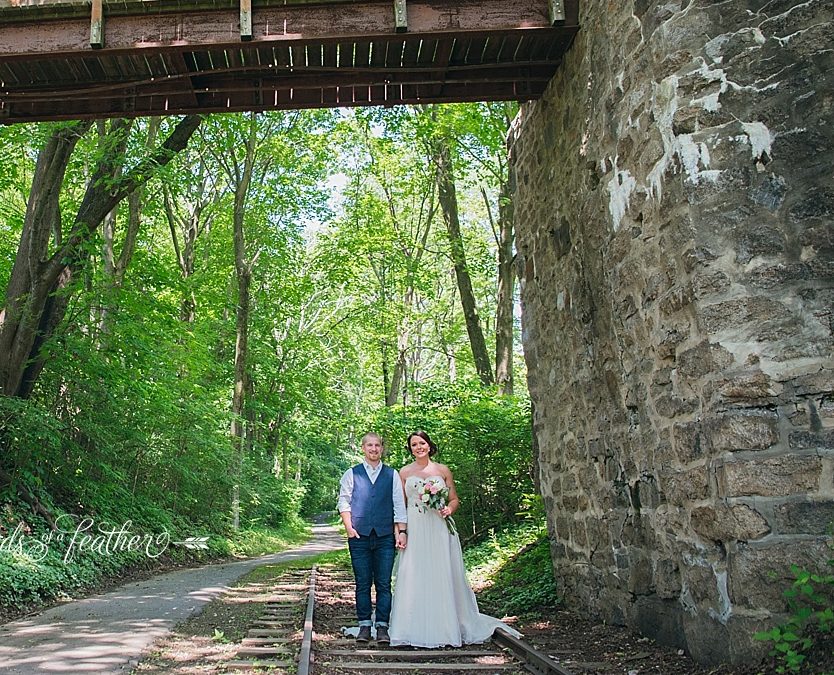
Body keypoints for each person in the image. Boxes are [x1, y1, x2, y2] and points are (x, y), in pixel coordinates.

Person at [388, 430, 522, 648]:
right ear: (410, 449)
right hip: (416, 528)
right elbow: (400, 507)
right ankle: (410, 627)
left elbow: (454, 499)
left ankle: (445, 627)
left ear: (429, 446)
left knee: (442, 572)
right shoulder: (403, 473)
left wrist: (449, 509)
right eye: (414, 445)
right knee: (414, 573)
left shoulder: (442, 470)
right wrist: (400, 532)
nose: (419, 447)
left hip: (439, 527)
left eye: (422, 443)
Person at [337, 432, 408, 644]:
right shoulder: (352, 474)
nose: (374, 449)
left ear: (382, 448)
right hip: (359, 536)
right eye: (370, 445)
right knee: (362, 583)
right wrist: (349, 528)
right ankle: (364, 626)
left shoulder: (392, 474)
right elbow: (344, 502)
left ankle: (383, 626)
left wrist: (401, 532)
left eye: (377, 445)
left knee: (384, 584)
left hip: (385, 536)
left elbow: (399, 505)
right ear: (363, 448)